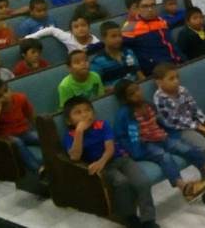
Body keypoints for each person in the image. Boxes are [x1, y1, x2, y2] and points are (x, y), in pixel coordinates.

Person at [113, 79, 205, 204]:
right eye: (132, 94)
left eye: (137, 89)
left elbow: (160, 122)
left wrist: (170, 132)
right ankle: (184, 187)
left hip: (162, 137)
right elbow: (121, 136)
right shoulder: (124, 114)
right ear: (125, 99)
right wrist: (133, 150)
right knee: (164, 156)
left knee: (183, 147)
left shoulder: (148, 105)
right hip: (145, 145)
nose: (138, 94)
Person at [62, 96, 157, 228]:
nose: (84, 115)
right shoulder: (70, 136)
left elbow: (110, 148)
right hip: (104, 168)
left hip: (120, 159)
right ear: (69, 121)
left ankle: (148, 220)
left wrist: (101, 161)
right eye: (78, 112)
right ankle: (129, 216)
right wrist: (79, 131)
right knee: (121, 182)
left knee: (143, 182)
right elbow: (75, 157)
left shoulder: (102, 125)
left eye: (88, 110)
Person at [152, 62, 205, 210]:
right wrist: (197, 126)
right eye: (171, 78)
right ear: (159, 82)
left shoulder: (182, 90)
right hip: (181, 130)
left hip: (197, 123)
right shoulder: (159, 98)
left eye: (177, 77)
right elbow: (173, 121)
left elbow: (195, 109)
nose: (176, 81)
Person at [0, 78, 42, 175]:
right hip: (4, 138)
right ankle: (39, 170)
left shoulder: (20, 98)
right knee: (17, 142)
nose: (5, 96)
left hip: (24, 132)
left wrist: (41, 130)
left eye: (6, 90)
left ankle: (63, 158)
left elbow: (32, 117)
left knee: (39, 137)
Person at [122, 0, 182, 76]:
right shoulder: (130, 25)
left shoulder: (161, 20)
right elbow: (123, 49)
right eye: (145, 6)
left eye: (152, 5)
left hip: (174, 63)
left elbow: (171, 44)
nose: (150, 9)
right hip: (154, 70)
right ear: (138, 9)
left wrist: (180, 60)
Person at [90, 21, 145, 87]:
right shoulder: (97, 62)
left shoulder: (128, 52)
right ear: (103, 39)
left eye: (120, 36)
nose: (118, 39)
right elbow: (97, 87)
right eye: (113, 36)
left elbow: (139, 74)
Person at [25, 16, 100, 53]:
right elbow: (51, 30)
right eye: (76, 27)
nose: (80, 29)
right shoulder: (68, 37)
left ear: (89, 27)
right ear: (71, 31)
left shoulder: (96, 42)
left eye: (83, 25)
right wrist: (29, 37)